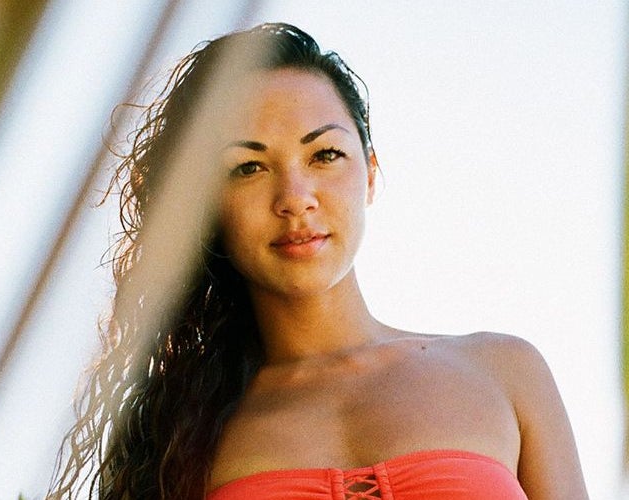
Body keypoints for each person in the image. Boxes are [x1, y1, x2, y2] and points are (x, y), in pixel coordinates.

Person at [49, 23, 588, 500]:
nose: (294, 197)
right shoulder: (172, 441)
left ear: (370, 172)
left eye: (325, 155)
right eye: (248, 168)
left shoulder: (503, 372)